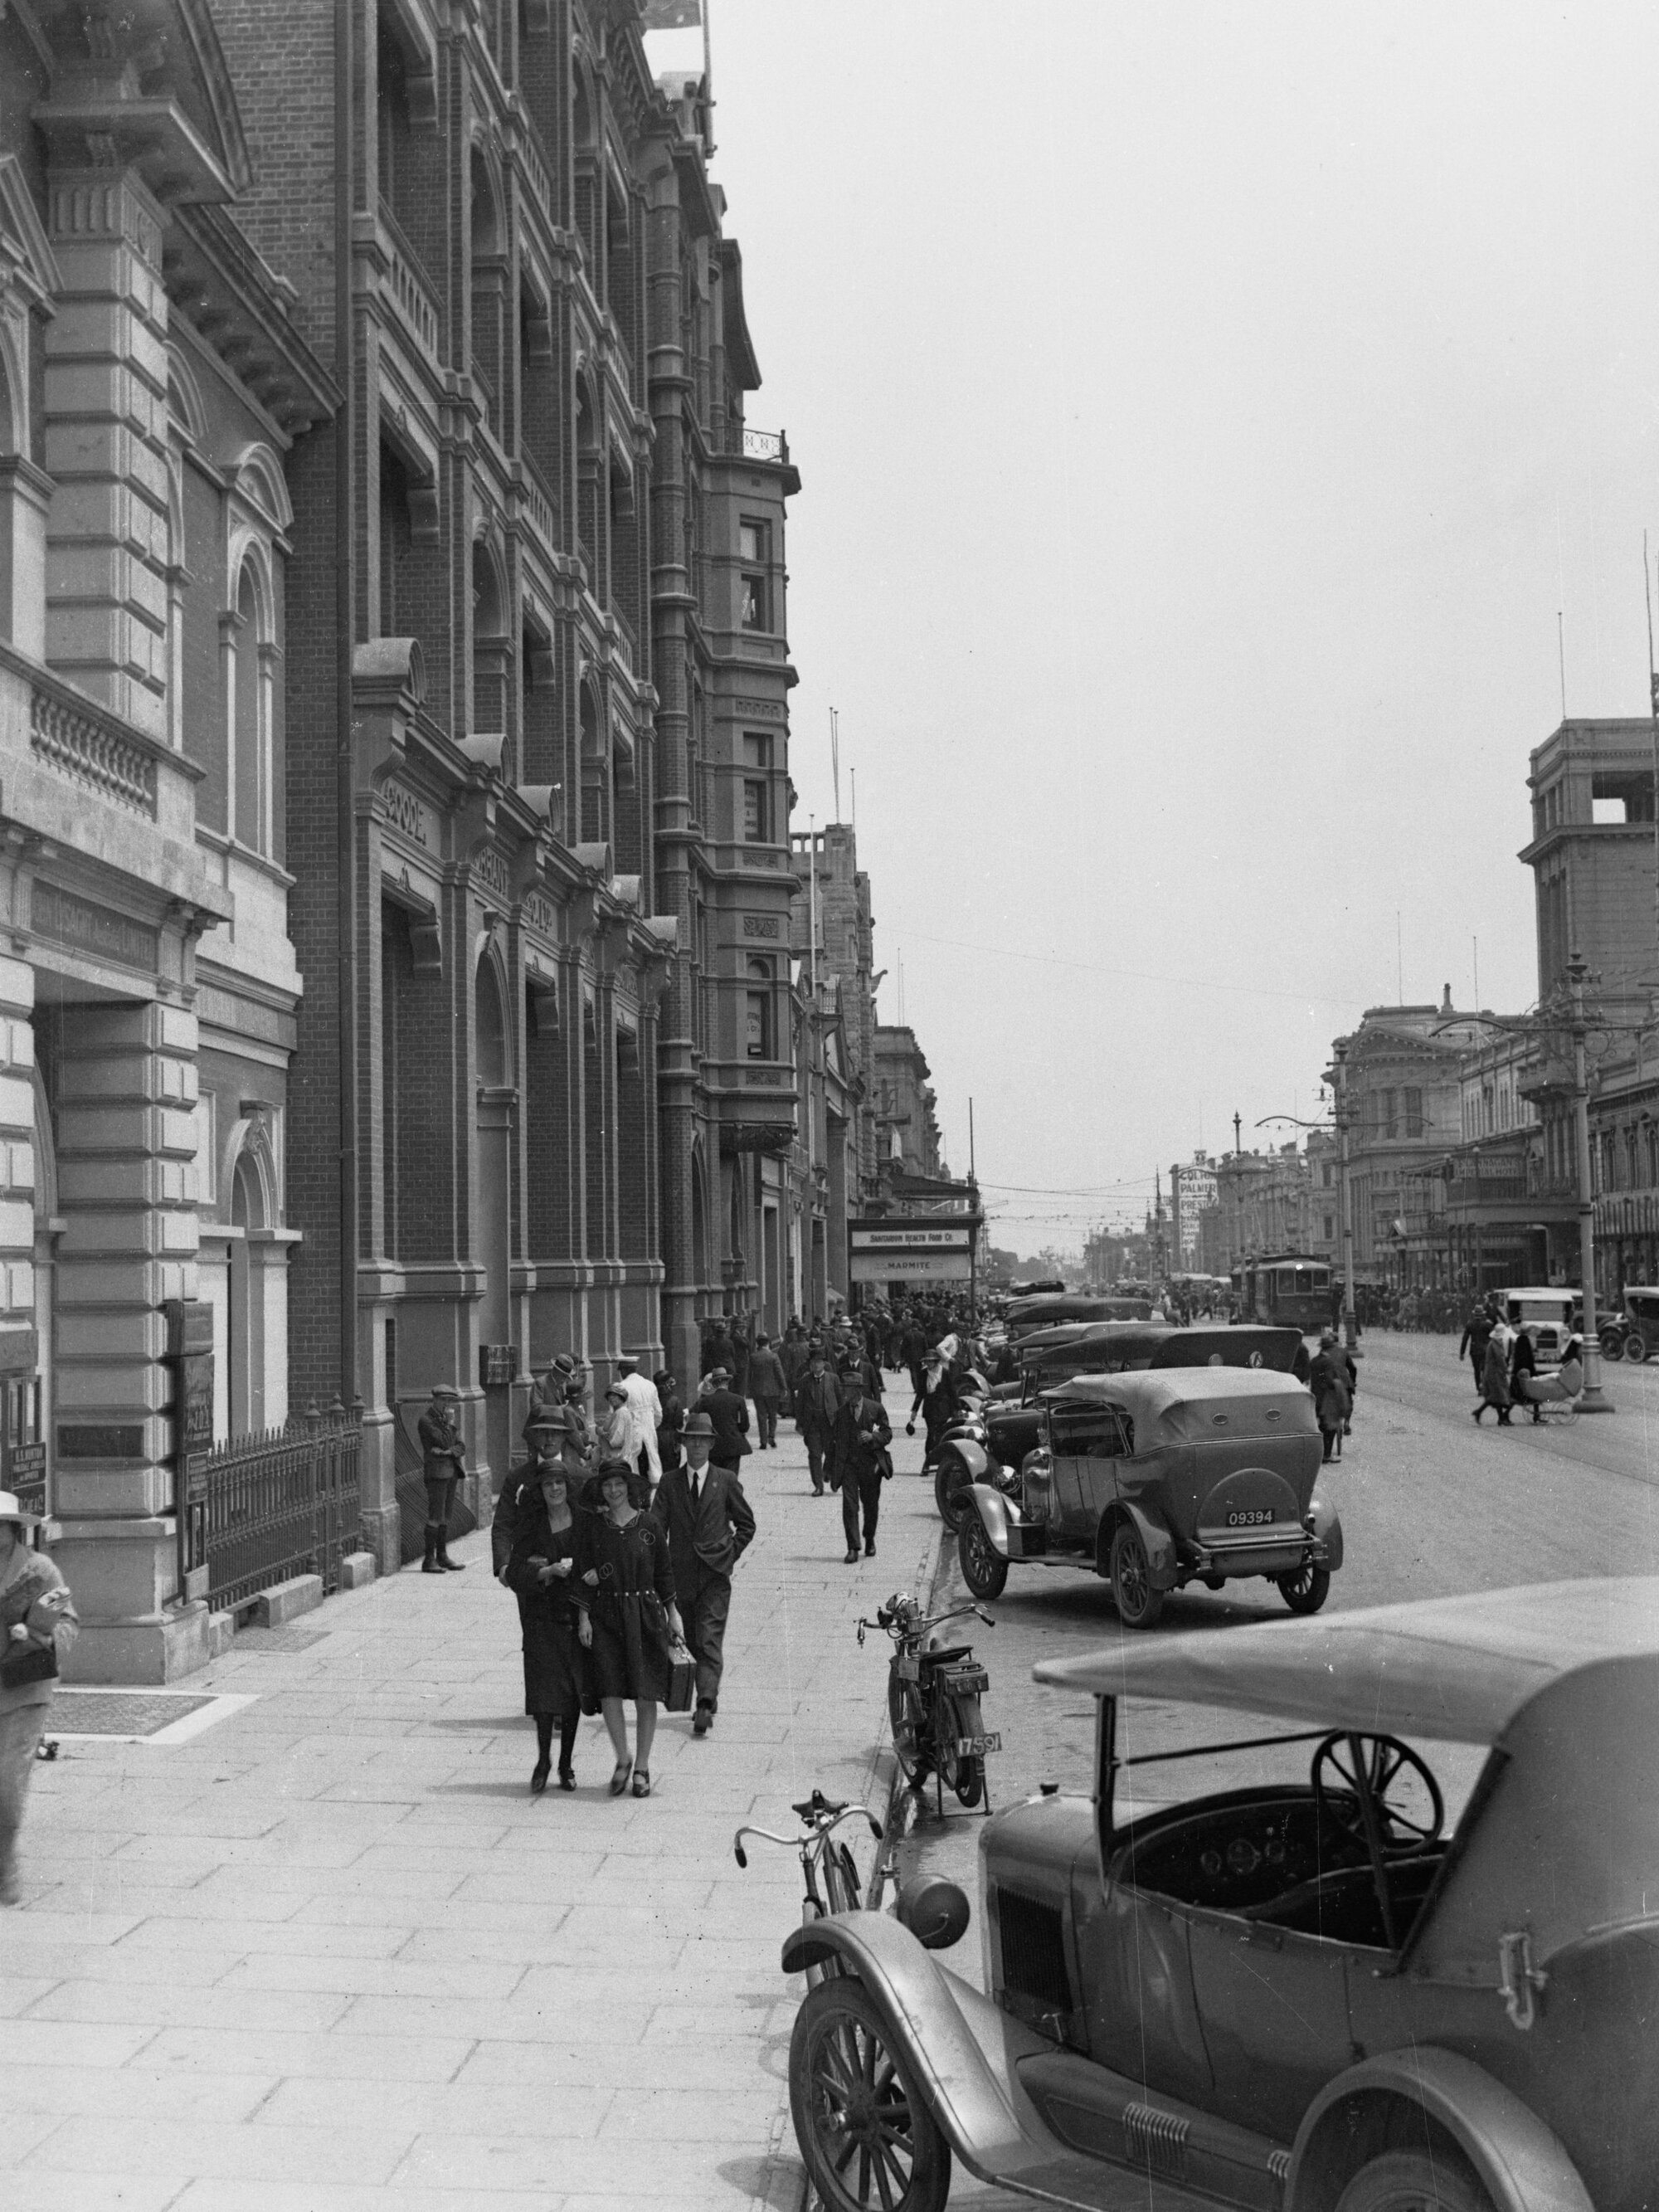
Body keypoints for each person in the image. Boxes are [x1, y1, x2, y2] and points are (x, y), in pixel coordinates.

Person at [577, 1460, 684, 1798]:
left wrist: (673, 1613)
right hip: (606, 1615)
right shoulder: (594, 1528)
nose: (613, 1491)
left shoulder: (649, 1525)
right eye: (607, 1485)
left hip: (645, 1614)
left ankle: (642, 1766)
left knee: (644, 1691)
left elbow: (664, 1573)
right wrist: (583, 1618)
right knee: (609, 1688)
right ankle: (621, 1758)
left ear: (630, 1487)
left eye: (619, 1484)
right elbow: (583, 1573)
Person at [652, 1409, 755, 1737]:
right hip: (680, 1575)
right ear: (683, 1444)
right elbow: (656, 1528)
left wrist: (729, 1554)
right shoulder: (669, 1483)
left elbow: (747, 1525)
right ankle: (703, 1691)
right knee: (688, 1639)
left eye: (702, 1441)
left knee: (709, 1638)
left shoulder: (725, 1480)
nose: (696, 1447)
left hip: (714, 1575)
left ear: (711, 1446)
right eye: (691, 1441)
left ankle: (705, 1703)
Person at [0, 1494, 77, 1903]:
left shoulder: (39, 1570)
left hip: (25, 1688)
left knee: (8, 1784)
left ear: (12, 1529)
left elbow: (68, 1622)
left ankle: (6, 1861)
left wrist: (43, 1636)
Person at [504, 1459, 591, 1793]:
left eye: (559, 1483)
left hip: (574, 1617)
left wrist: (586, 1611)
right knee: (543, 1696)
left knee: (571, 1695)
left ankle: (566, 1764)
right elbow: (514, 1573)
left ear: (567, 1486)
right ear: (540, 1490)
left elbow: (594, 1565)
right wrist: (546, 1572)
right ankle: (543, 1760)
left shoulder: (584, 1521)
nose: (555, 1489)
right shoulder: (533, 1525)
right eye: (548, 1484)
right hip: (541, 1618)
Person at [831, 1372, 893, 1563]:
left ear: (857, 1390)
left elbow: (888, 1433)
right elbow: (835, 1442)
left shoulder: (875, 1408)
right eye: (844, 1389)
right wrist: (831, 1468)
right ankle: (853, 1547)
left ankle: (869, 1538)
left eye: (848, 1389)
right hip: (849, 1465)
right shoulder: (841, 1413)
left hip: (871, 1465)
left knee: (870, 1505)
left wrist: (873, 1437)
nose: (844, 1393)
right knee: (849, 1506)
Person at [417, 1384, 468, 1573]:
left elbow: (461, 1446)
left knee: (446, 1516)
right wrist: (449, 1429)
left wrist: (448, 1452)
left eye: (449, 1401)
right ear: (435, 1400)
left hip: (451, 1471)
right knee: (435, 1516)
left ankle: (443, 1555)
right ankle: (429, 1560)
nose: (447, 1404)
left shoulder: (448, 1422)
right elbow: (445, 1440)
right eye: (444, 1400)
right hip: (437, 1474)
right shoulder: (426, 1421)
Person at [794, 1346, 840, 1495]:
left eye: (819, 1362)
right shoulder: (805, 1381)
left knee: (831, 1452)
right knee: (814, 1454)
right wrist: (799, 1424)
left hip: (830, 1423)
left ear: (824, 1364)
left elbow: (840, 1401)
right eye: (813, 1362)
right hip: (812, 1424)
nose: (816, 1365)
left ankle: (828, 1473)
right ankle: (818, 1486)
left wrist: (842, 1423)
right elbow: (799, 1404)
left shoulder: (833, 1379)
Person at [1308, 1331, 1355, 1463]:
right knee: (1331, 1428)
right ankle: (1326, 1455)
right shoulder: (1328, 1361)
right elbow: (1329, 1380)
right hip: (1327, 1399)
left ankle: (1320, 1452)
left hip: (1316, 1397)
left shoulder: (1314, 1361)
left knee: (1321, 1426)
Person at [703, 1367, 752, 1474]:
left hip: (714, 1446)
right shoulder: (738, 1399)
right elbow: (745, 1426)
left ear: (714, 1384)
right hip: (733, 1445)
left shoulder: (705, 1401)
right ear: (727, 1383)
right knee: (732, 1477)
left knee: (715, 1478)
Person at [748, 1333, 786, 1449]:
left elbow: (750, 1375)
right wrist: (783, 1387)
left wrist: (750, 1388)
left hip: (758, 1390)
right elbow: (779, 1373)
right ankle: (771, 1437)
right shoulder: (773, 1356)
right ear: (768, 1343)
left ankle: (763, 1441)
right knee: (772, 1415)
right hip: (773, 1391)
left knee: (761, 1416)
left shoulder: (753, 1357)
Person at [1475, 1322, 1514, 1425]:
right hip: (1495, 1373)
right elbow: (1500, 1359)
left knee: (1496, 1396)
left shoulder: (1493, 1342)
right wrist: (1506, 1369)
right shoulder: (1496, 1344)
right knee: (1498, 1396)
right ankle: (1481, 1413)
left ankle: (1497, 1417)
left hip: (1493, 1372)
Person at [654, 1370, 686, 1477]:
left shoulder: (651, 1400)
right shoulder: (674, 1400)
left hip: (653, 1437)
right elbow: (679, 1423)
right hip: (670, 1439)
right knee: (671, 1472)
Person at [1459, 1304, 1495, 1400]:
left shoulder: (1470, 1324)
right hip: (1485, 1350)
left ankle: (1478, 1388)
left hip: (1474, 1350)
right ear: (1483, 1314)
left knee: (1476, 1370)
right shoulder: (1488, 1324)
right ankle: (1483, 1386)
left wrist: (1462, 1352)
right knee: (1484, 1369)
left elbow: (1465, 1339)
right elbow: (1493, 1337)